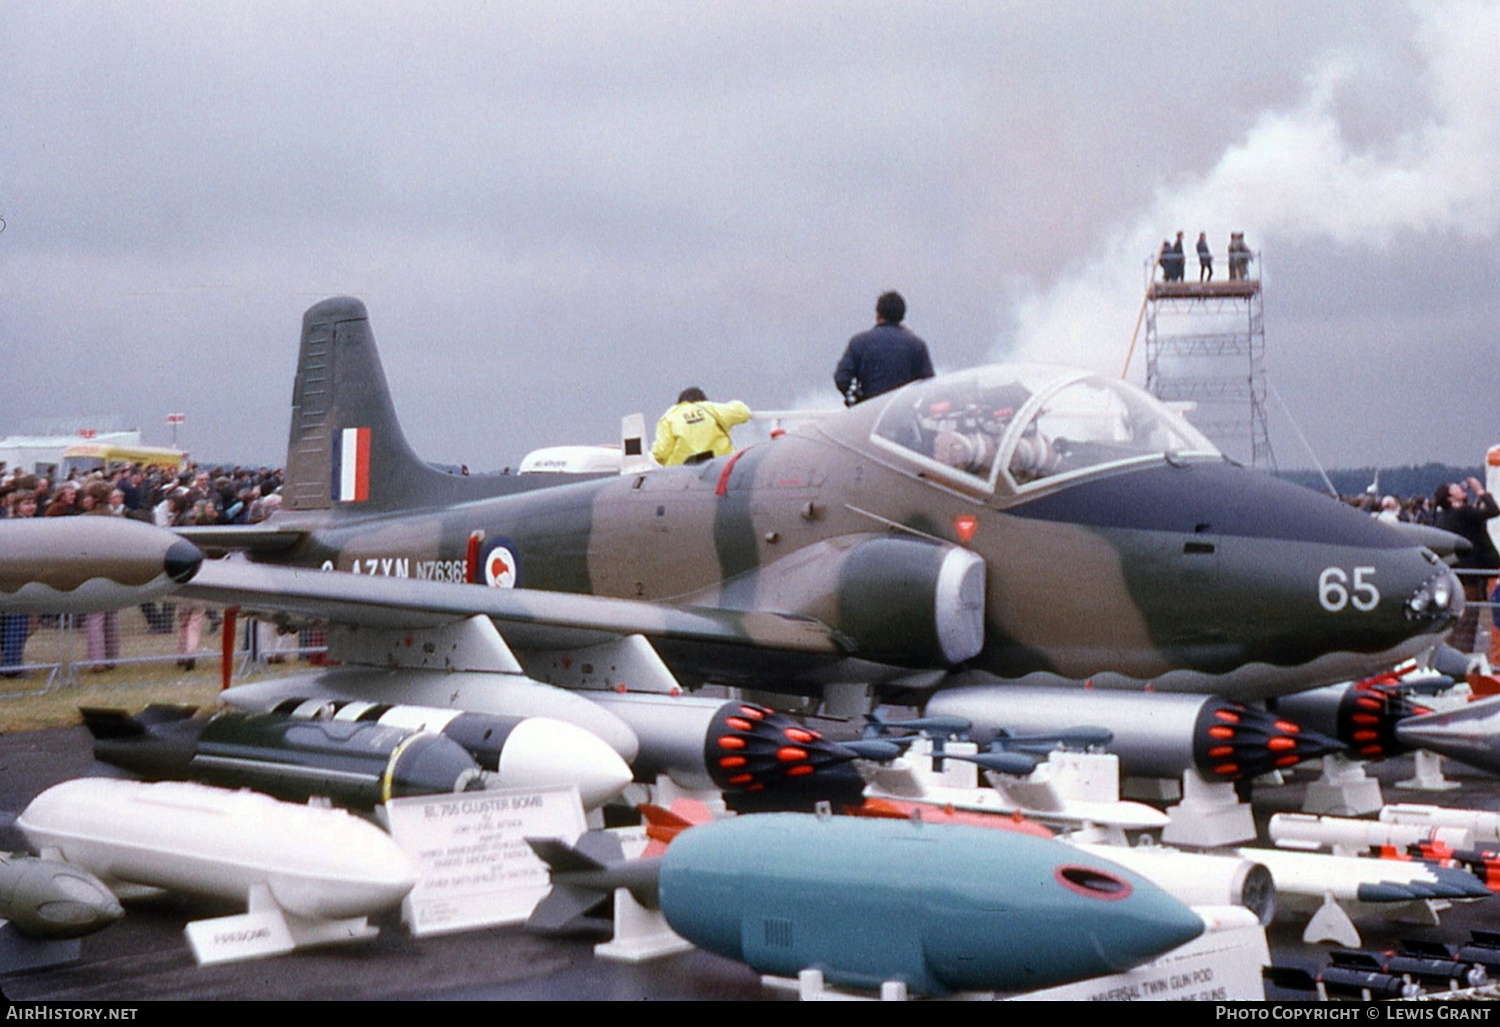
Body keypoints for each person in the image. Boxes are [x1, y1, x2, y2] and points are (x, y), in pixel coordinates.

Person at [833, 291, 935, 405]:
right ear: (902, 315)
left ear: (878, 314)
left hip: (869, 411)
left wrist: (856, 400)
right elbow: (928, 384)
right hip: (902, 412)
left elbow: (841, 378)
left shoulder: (859, 343)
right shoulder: (917, 345)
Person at [1435, 477, 1500, 655]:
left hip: (1454, 576)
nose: (1459, 487)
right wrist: (1480, 491)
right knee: (1467, 624)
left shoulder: (1445, 518)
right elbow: (1493, 511)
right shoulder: (1463, 513)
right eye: (1454, 487)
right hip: (1469, 579)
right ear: (1450, 497)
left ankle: (1449, 659)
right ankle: (1462, 665)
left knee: (1454, 624)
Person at [652, 387, 751, 466]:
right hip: (718, 470)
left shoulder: (669, 417)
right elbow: (744, 412)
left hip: (683, 475)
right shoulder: (712, 408)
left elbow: (660, 453)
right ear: (703, 399)